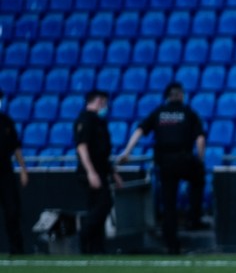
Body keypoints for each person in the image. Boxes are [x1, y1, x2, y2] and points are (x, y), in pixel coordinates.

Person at [118, 82, 207, 255]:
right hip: (184, 159)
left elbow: (139, 130)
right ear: (181, 95)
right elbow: (200, 140)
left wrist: (127, 152)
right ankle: (194, 218)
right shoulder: (188, 113)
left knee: (169, 203)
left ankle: (172, 244)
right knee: (198, 179)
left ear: (167, 96)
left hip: (165, 162)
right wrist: (200, 161)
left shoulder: (159, 113)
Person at [75, 89, 122, 255]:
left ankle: (95, 247)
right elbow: (82, 147)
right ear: (97, 101)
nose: (106, 106)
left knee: (96, 206)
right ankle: (83, 235)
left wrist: (113, 172)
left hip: (101, 169)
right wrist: (90, 172)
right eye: (103, 102)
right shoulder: (86, 120)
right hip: (92, 171)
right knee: (104, 203)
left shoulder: (99, 122)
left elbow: (103, 152)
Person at [0, 89, 29, 255]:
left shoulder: (6, 122)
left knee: (12, 211)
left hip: (5, 171)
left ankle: (17, 249)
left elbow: (16, 147)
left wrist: (23, 169)